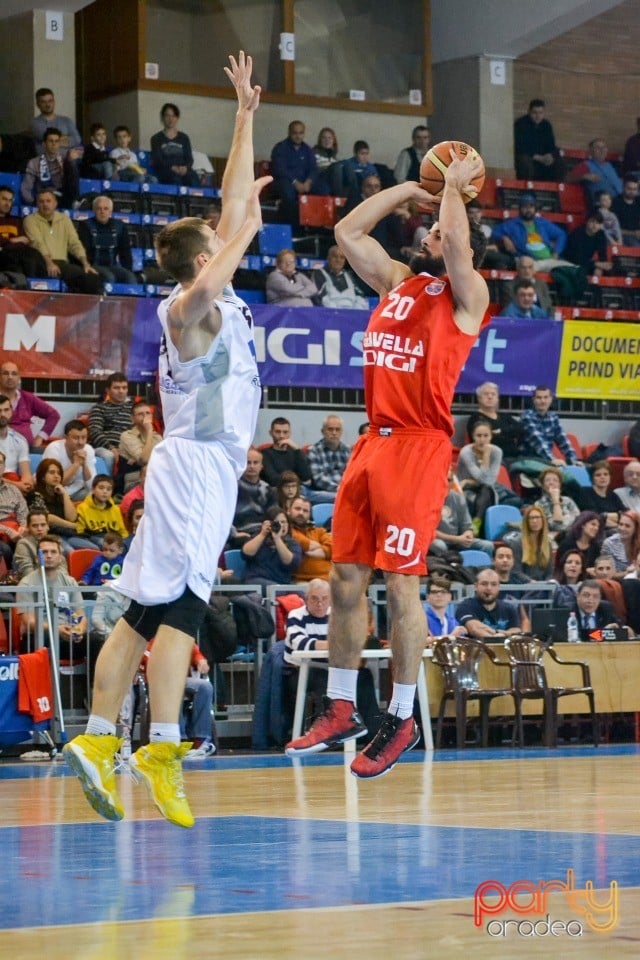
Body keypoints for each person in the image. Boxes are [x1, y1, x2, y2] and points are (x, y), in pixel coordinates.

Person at [63, 51, 270, 828]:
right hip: (194, 469)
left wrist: (245, 114)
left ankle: (92, 739)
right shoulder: (185, 308)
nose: (228, 238)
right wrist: (241, 229)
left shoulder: (207, 293)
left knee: (143, 614)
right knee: (182, 610)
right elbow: (221, 256)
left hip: (202, 467)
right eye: (215, 240)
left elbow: (229, 206)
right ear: (198, 259)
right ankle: (161, 744)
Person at [285, 144, 492, 777]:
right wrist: (409, 189)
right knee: (346, 580)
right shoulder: (399, 282)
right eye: (428, 225)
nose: (430, 231)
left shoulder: (468, 293)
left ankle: (402, 715)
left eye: (436, 227)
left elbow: (457, 244)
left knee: (402, 583)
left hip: (419, 445)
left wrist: (454, 188)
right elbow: (348, 231)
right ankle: (342, 705)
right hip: (371, 442)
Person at [282, 579, 380, 738]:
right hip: (301, 672)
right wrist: (335, 643)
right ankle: (329, 735)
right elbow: (299, 643)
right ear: (306, 599)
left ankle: (372, 734)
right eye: (314, 598)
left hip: (332, 667)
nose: (320, 603)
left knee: (364, 676)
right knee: (325, 680)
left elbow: (350, 639)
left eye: (324, 598)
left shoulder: (336, 616)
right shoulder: (296, 616)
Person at [23, 190, 102, 295]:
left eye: (48, 201)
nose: (45, 204)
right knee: (82, 278)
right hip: (41, 262)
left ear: (55, 203)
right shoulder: (30, 220)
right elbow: (37, 243)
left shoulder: (64, 219)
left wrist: (85, 264)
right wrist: (49, 263)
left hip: (62, 264)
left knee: (92, 277)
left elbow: (74, 243)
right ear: (37, 204)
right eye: (41, 201)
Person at [17, 534, 86, 645]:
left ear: (60, 558)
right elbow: (29, 622)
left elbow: (80, 616)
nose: (49, 556)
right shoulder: (26, 584)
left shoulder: (70, 582)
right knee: (43, 637)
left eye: (53, 552)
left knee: (95, 640)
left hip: (67, 632)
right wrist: (56, 629)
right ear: (36, 558)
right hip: (40, 634)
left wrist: (78, 631)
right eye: (44, 552)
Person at [430, 466, 495, 558]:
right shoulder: (426, 498)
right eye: (443, 480)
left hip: (458, 540)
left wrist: (468, 533)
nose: (446, 483)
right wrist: (457, 539)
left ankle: (483, 571)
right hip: (437, 540)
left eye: (450, 480)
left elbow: (467, 525)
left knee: (487, 546)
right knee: (439, 546)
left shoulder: (458, 497)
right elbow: (429, 531)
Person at [77, 196, 137, 285]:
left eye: (105, 209)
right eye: (99, 209)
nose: (102, 212)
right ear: (93, 211)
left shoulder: (120, 226)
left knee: (130, 277)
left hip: (112, 266)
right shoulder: (85, 226)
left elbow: (125, 252)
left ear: (110, 211)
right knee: (109, 277)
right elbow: (82, 250)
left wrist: (129, 270)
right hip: (93, 265)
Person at [0, 361, 59, 450]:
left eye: (14, 374)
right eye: (5, 373)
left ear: (19, 378)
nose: (10, 377)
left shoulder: (28, 398)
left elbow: (54, 415)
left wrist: (40, 437)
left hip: (26, 450)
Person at [456, 419, 503, 527]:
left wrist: (469, 481)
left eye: (486, 436)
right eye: (478, 435)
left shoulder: (497, 452)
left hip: (483, 487)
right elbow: (482, 479)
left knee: (486, 490)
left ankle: (476, 524)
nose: (482, 440)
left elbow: (489, 481)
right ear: (473, 436)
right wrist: (486, 456)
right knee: (483, 491)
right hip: (464, 488)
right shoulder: (466, 452)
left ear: (491, 436)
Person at [270, 120, 317, 226]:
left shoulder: (308, 150)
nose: (298, 136)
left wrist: (309, 182)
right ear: (289, 133)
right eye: (295, 133)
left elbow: (313, 169)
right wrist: (295, 182)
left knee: (322, 190)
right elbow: (280, 169)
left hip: (304, 183)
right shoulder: (280, 148)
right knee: (288, 193)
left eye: (301, 133)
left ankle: (318, 231)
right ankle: (294, 229)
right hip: (285, 182)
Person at [241, 506, 302, 586]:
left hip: (282, 583)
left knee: (302, 593)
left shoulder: (293, 543)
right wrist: (263, 534)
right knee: (277, 589)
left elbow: (291, 563)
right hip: (256, 580)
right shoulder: (258, 537)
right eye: (276, 522)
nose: (281, 525)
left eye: (283, 522)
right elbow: (246, 553)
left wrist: (277, 539)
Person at [520, 386, 580, 466]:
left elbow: (563, 441)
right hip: (528, 460)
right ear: (533, 400)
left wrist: (574, 460)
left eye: (546, 397)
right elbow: (538, 442)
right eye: (539, 398)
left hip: (546, 461)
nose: (543, 401)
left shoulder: (553, 417)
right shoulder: (527, 417)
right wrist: (552, 459)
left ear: (551, 399)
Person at [88, 372, 135, 475]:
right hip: (104, 448)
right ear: (108, 390)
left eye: (124, 388)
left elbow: (140, 431)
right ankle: (106, 487)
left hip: (128, 448)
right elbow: (95, 432)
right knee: (109, 456)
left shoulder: (134, 408)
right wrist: (111, 448)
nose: (121, 391)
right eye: (116, 388)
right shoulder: (99, 408)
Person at [455, 568, 522, 640]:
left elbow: (516, 630)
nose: (489, 588)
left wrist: (500, 633)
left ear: (499, 587)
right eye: (484, 584)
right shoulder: (465, 606)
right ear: (476, 586)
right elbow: (474, 629)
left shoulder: (509, 608)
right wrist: (496, 637)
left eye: (494, 584)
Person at [21, 128, 81, 208]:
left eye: (56, 141)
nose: (54, 144)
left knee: (71, 164)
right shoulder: (34, 163)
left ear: (59, 144)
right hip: (43, 199)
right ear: (44, 144)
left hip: (63, 198)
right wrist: (32, 204)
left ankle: (75, 202)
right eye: (51, 141)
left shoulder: (65, 160)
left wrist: (70, 161)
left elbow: (72, 181)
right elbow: (25, 188)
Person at [466, 381, 523, 463]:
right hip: (491, 459)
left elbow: (520, 429)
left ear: (497, 399)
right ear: (479, 398)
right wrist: (509, 434)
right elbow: (490, 439)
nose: (490, 397)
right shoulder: (475, 418)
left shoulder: (504, 416)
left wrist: (501, 431)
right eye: (486, 394)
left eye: (493, 394)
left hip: (515, 457)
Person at [0, 185, 48, 279]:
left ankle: (39, 287)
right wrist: (13, 240)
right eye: (4, 199)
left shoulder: (17, 221)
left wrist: (11, 242)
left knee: (34, 254)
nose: (7, 203)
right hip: (3, 255)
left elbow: (24, 242)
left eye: (10, 200)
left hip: (16, 254)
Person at [27, 457, 78, 544]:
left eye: (59, 473)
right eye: (52, 472)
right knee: (69, 551)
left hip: (67, 534)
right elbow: (46, 518)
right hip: (49, 536)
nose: (56, 476)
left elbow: (72, 518)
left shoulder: (60, 493)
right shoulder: (35, 495)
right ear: (42, 476)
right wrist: (72, 526)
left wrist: (65, 494)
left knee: (93, 548)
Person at [46, 419, 97, 502]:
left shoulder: (88, 449)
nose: (80, 442)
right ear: (66, 437)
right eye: (76, 438)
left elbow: (92, 485)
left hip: (72, 490)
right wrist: (76, 464)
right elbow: (54, 483)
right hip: (51, 491)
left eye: (84, 438)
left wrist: (84, 464)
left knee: (95, 495)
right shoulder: (54, 449)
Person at [513, 98, 564, 182]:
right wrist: (538, 157)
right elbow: (520, 146)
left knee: (560, 163)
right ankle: (527, 189)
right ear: (529, 112)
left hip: (543, 159)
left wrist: (550, 156)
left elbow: (551, 145)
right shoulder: (520, 124)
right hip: (528, 158)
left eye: (540, 113)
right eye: (534, 113)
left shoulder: (546, 125)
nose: (537, 116)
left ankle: (556, 191)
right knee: (525, 162)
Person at [150, 103, 199, 187]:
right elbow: (158, 160)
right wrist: (172, 167)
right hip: (166, 171)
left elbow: (189, 158)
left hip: (182, 170)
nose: (171, 119)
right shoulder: (156, 138)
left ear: (177, 118)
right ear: (162, 118)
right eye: (167, 116)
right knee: (175, 180)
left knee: (193, 179)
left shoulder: (184, 138)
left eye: (173, 116)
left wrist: (185, 168)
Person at [117, 401, 162, 492]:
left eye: (148, 413)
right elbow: (144, 460)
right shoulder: (127, 436)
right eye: (140, 414)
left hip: (156, 476)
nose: (145, 416)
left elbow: (162, 461)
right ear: (132, 419)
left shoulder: (158, 437)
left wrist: (141, 458)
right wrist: (149, 431)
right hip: (133, 480)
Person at [232, 447, 277, 536]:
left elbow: (275, 514)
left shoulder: (267, 489)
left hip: (263, 532)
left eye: (255, 462)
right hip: (240, 533)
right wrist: (234, 533)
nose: (252, 466)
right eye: (248, 463)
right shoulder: (233, 487)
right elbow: (223, 514)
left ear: (261, 466)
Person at [75, 474, 128, 547]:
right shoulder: (82, 508)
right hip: (92, 539)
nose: (105, 492)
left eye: (108, 489)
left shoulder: (115, 509)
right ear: (93, 489)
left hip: (113, 540)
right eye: (101, 488)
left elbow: (122, 532)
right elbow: (80, 532)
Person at [288, 495, 332, 582]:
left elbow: (333, 548)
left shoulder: (319, 531)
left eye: (305, 511)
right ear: (288, 511)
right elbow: (303, 543)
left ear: (309, 515)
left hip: (329, 579)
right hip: (302, 580)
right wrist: (322, 548)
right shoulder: (287, 531)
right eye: (297, 509)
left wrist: (309, 548)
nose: (301, 513)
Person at [566, 138, 623, 206]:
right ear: (591, 151)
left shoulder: (609, 166)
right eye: (598, 148)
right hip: (602, 205)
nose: (602, 150)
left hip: (621, 202)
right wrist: (584, 176)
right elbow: (567, 179)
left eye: (604, 147)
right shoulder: (585, 165)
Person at [307, 415, 351, 502]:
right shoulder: (314, 450)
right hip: (324, 492)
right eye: (330, 429)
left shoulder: (348, 450)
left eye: (337, 429)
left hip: (344, 491)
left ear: (341, 432)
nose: (334, 433)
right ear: (323, 431)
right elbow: (318, 479)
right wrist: (340, 489)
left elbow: (352, 476)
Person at [311, 245, 369, 309]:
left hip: (351, 311)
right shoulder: (319, 273)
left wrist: (356, 310)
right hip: (331, 312)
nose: (338, 260)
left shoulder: (348, 275)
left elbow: (360, 295)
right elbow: (321, 297)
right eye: (335, 256)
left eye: (342, 257)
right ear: (328, 258)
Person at [260, 417, 312, 488]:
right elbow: (273, 480)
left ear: (290, 433)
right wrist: (296, 480)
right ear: (271, 433)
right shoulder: (265, 454)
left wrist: (297, 449)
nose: (282, 436)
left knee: (331, 497)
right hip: (279, 491)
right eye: (278, 432)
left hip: (301, 490)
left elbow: (306, 477)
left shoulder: (295, 452)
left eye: (285, 432)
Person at [534, 466, 580, 544]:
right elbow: (557, 526)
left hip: (573, 534)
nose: (551, 483)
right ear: (543, 485)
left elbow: (579, 519)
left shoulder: (568, 501)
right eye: (547, 480)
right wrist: (556, 501)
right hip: (553, 538)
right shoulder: (539, 504)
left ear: (560, 484)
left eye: (555, 480)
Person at [576, 460, 624, 531]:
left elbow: (625, 514)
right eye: (598, 475)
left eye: (606, 474)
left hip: (616, 529)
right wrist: (616, 518)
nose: (602, 477)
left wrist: (605, 516)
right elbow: (593, 516)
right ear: (592, 478)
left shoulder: (613, 495)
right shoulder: (585, 491)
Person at [0, 394, 33, 495]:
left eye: (6, 410)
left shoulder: (20, 440)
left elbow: (26, 474)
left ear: (12, 412)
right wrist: (16, 485)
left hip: (14, 487)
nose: (2, 414)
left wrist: (26, 485)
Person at [31, 87, 81, 153]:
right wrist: (65, 138)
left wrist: (55, 142)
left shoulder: (66, 120)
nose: (48, 105)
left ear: (54, 102)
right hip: (46, 161)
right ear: (38, 104)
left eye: (50, 101)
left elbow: (77, 139)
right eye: (43, 102)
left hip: (67, 161)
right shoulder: (35, 123)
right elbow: (49, 138)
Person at [563, 211, 612, 278]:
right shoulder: (577, 233)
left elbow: (603, 254)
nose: (595, 226)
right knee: (582, 270)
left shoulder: (600, 234)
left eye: (598, 223)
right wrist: (596, 264)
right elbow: (577, 258)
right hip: (572, 262)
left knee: (611, 270)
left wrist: (600, 268)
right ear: (587, 222)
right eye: (592, 222)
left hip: (588, 263)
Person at [0, 451, 27, 567]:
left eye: (0, 463)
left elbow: (23, 513)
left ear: (4, 467)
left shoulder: (14, 490)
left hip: (16, 530)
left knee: (30, 545)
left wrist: (23, 527)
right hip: (3, 533)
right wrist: (9, 531)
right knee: (5, 550)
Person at [12, 509, 51, 580]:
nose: (39, 529)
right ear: (28, 527)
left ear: (48, 526)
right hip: (32, 586)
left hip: (54, 585)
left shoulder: (54, 543)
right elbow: (27, 573)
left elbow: (62, 569)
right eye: (35, 526)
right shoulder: (23, 544)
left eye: (43, 525)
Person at [518, 504, 554, 581]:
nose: (534, 521)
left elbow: (550, 572)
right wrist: (531, 582)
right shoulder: (518, 543)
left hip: (543, 587)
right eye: (531, 518)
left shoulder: (548, 544)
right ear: (526, 521)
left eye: (537, 517)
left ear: (543, 520)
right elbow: (516, 572)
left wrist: (546, 584)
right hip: (524, 587)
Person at [611, 176, 640, 247]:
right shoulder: (615, 203)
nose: (632, 192)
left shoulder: (638, 201)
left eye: (635, 189)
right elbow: (612, 229)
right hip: (622, 236)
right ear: (623, 188)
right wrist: (633, 233)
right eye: (629, 188)